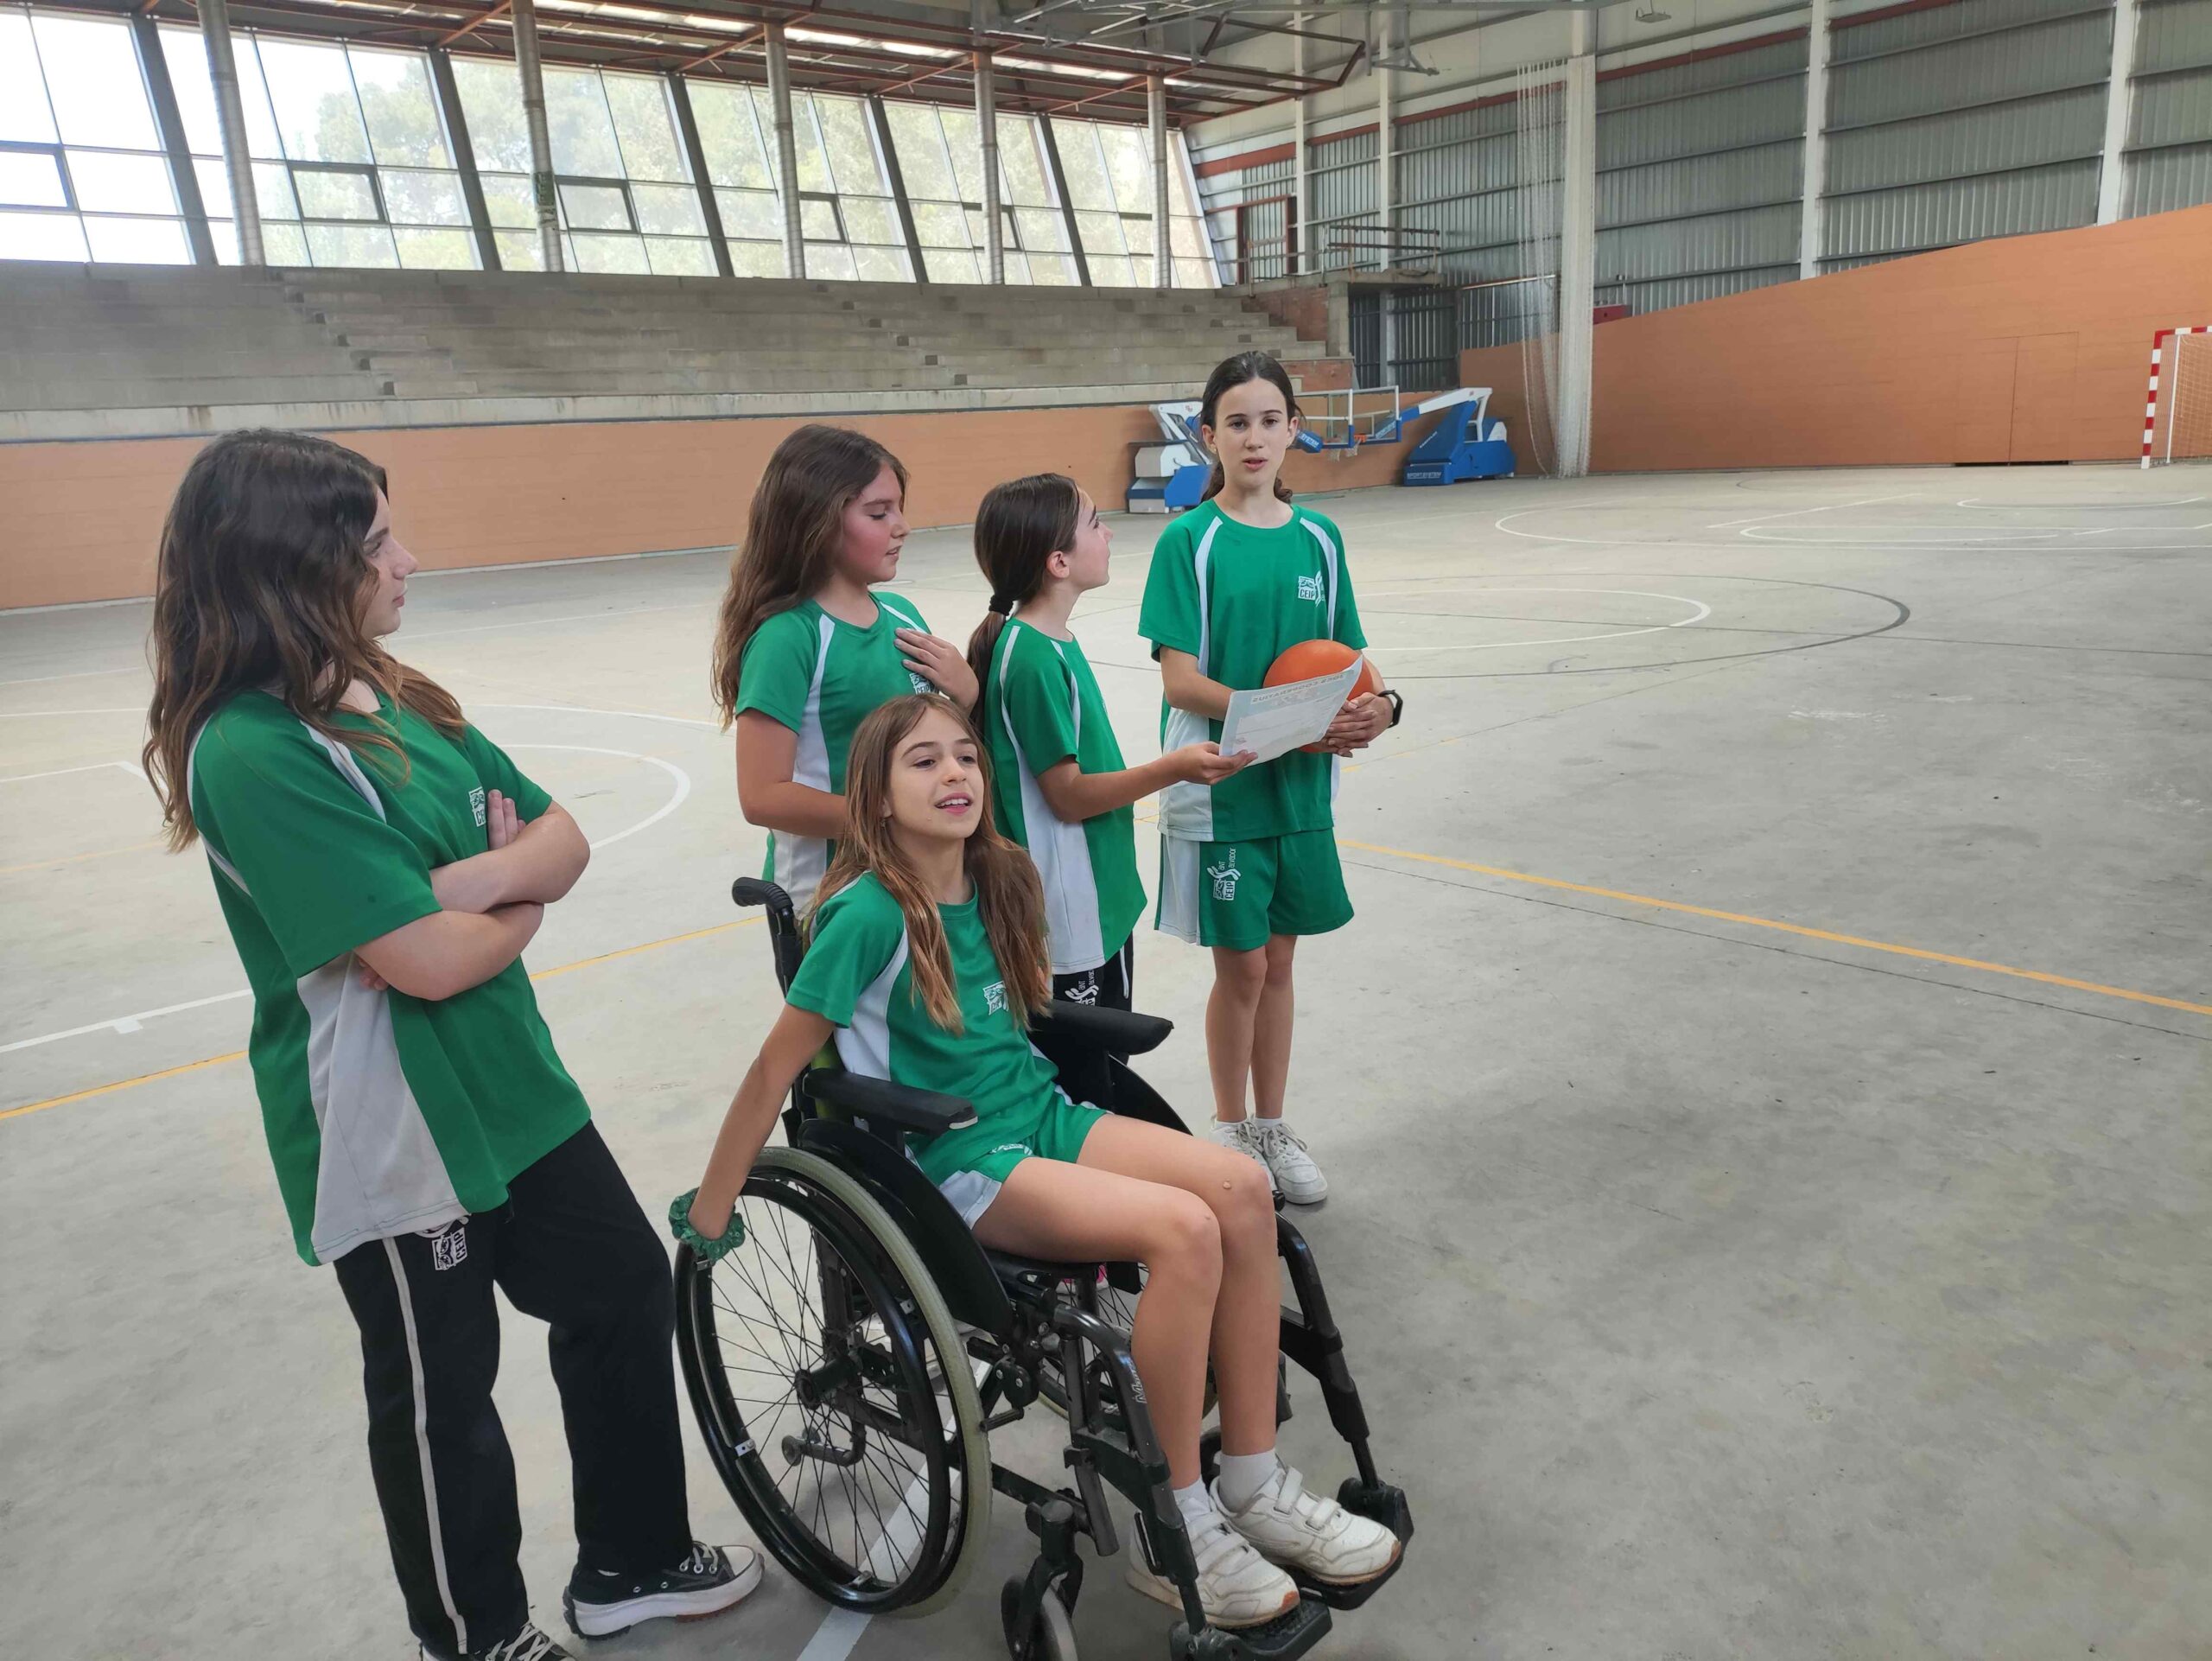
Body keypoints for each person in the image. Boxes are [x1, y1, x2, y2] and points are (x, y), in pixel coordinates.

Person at [143, 430, 756, 1661]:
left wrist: (464, 889)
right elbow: (421, 963)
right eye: (378, 543)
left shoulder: (396, 694)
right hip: (396, 1126)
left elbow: (563, 839)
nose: (407, 561)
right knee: (441, 1396)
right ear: (296, 564)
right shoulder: (251, 750)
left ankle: (631, 1558)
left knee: (621, 1284)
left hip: (510, 1079)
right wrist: (502, 900)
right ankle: (479, 1635)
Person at [674, 695, 1401, 1632]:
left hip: (1040, 1113)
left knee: (1243, 1188)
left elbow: (1018, 1022)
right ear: (877, 797)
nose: (955, 774)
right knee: (1183, 1231)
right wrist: (714, 1208)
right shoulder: (866, 915)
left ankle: (1252, 1483)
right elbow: (778, 1070)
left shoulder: (994, 878)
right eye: (923, 761)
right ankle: (1176, 1521)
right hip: (956, 1156)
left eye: (965, 756)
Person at [1139, 353, 1404, 1206]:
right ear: (1208, 436)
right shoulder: (1190, 541)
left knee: (1281, 962)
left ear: (1294, 428)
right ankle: (1229, 1127)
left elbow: (1351, 663)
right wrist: (1286, 719)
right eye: (1236, 422)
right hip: (1222, 787)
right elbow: (1182, 682)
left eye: (1268, 420)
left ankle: (1273, 1124)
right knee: (1244, 966)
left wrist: (1383, 706)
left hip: (1302, 790)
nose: (1253, 437)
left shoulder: (1321, 539)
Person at [963, 473, 1249, 1101]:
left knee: (1102, 1074)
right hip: (1069, 914)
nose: (1109, 534)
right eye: (1095, 523)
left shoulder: (1052, 643)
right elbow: (1068, 795)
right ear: (1058, 562)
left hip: (1095, 897)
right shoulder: (1032, 657)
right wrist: (1173, 767)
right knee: (1085, 1088)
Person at [711, 423, 979, 914]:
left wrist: (966, 694)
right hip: (834, 894)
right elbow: (762, 796)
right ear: (815, 521)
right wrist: (891, 815)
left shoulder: (902, 615)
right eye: (878, 513)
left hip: (918, 879)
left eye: (899, 508)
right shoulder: (788, 637)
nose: (902, 526)